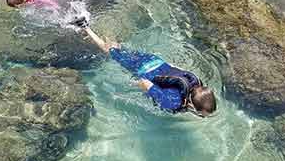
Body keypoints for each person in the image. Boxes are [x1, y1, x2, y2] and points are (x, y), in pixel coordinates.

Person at [82, 25, 217, 117]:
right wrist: (132, 84)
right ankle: (84, 26)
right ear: (192, 106)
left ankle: (107, 33)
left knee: (120, 50)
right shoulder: (172, 102)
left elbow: (176, 69)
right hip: (140, 67)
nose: (202, 117)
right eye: (201, 115)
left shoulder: (196, 82)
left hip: (156, 60)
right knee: (109, 51)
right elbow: (145, 83)